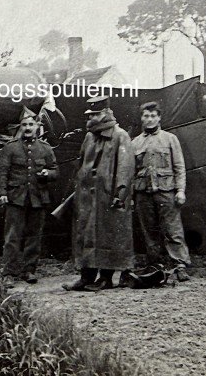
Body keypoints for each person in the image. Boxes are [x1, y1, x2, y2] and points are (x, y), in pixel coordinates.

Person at [62, 96, 135, 292]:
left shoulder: (121, 136)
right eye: (90, 114)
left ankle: (106, 278)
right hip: (86, 196)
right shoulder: (89, 137)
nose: (91, 118)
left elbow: (125, 167)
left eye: (95, 114)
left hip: (108, 195)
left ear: (106, 114)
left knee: (107, 234)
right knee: (86, 235)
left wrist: (120, 193)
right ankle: (85, 277)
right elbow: (81, 162)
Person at [0, 109, 58, 286]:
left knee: (34, 236)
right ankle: (9, 272)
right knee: (12, 236)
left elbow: (55, 170)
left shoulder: (45, 149)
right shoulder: (11, 147)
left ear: (37, 126)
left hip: (37, 198)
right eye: (25, 125)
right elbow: (2, 173)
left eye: (31, 124)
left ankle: (29, 270)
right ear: (20, 127)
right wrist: (1, 193)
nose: (28, 128)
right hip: (16, 198)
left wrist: (48, 173)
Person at [131, 101, 191, 281]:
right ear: (141, 118)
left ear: (159, 118)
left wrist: (180, 190)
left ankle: (180, 264)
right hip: (143, 192)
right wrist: (132, 197)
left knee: (173, 229)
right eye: (146, 116)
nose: (149, 119)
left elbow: (179, 167)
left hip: (166, 191)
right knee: (149, 231)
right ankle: (155, 264)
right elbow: (132, 172)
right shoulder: (135, 143)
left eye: (153, 116)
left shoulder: (170, 139)